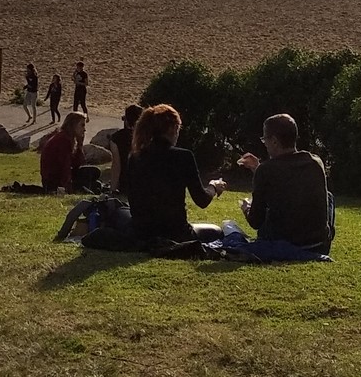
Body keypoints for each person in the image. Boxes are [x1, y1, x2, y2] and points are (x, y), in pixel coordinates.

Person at [233, 113, 334, 261]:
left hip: (283, 240)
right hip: (318, 244)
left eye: (265, 139)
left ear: (274, 141)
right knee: (329, 197)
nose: (264, 143)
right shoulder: (315, 162)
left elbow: (256, 222)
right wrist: (259, 168)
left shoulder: (266, 170)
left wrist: (247, 208)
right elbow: (289, 180)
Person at [122, 104, 226, 246]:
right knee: (216, 231)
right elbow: (201, 200)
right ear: (172, 128)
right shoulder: (183, 156)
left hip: (142, 231)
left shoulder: (135, 157)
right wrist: (213, 187)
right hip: (175, 232)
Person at [39, 111, 95, 192]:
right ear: (73, 125)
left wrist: (79, 145)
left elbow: (78, 163)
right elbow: (65, 165)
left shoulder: (69, 138)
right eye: (82, 125)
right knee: (90, 174)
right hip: (53, 180)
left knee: (92, 173)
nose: (84, 129)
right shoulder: (63, 140)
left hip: (56, 177)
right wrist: (67, 187)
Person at [108, 103, 143, 193]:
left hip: (126, 184)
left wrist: (112, 189)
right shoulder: (146, 137)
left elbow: (116, 165)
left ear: (126, 120)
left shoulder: (116, 138)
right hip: (144, 184)